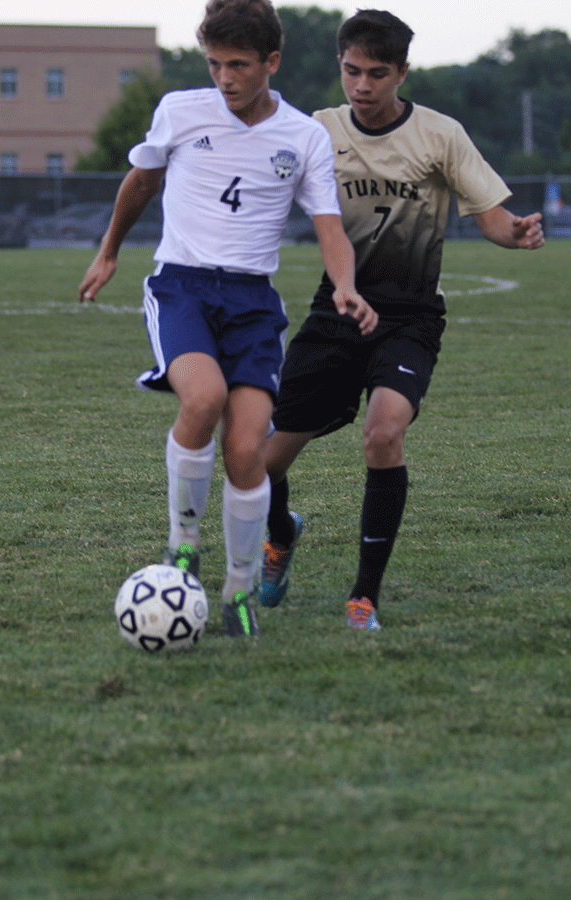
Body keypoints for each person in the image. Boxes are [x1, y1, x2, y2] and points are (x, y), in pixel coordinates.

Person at [78, 0, 376, 638]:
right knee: (203, 398)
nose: (225, 79)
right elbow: (139, 183)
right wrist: (108, 252)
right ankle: (183, 542)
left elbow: (329, 227)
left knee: (248, 450)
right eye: (214, 64)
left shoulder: (303, 137)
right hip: (181, 288)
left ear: (271, 61)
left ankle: (239, 590)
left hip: (251, 305)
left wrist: (346, 283)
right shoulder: (181, 111)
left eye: (238, 65)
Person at [258, 8, 545, 630]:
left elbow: (489, 212)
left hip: (411, 316)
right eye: (352, 71)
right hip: (335, 311)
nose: (362, 86)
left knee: (385, 433)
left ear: (402, 72)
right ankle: (280, 534)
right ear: (341, 65)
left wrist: (514, 234)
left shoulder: (440, 135)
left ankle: (365, 596)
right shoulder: (318, 129)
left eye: (377, 74)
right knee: (263, 463)